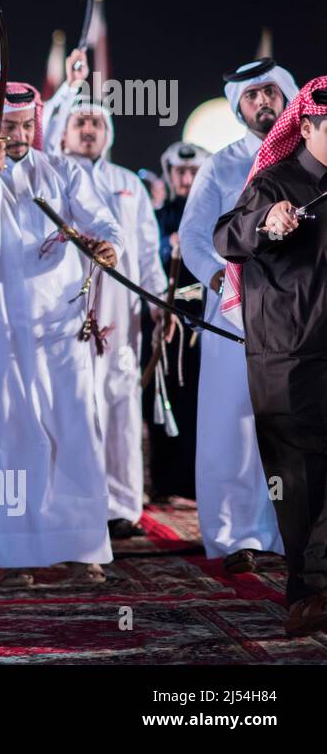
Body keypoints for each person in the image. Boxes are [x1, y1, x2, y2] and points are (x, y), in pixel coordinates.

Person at [0, 82, 121, 586]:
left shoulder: (63, 171)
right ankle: (10, 550)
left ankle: (80, 544)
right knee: (5, 433)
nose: (18, 136)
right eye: (7, 126)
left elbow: (104, 222)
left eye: (25, 126)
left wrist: (106, 246)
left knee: (72, 429)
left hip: (59, 326)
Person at [214, 77, 327, 635]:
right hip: (288, 357)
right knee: (299, 479)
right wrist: (266, 222)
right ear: (305, 128)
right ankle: (307, 593)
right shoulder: (273, 181)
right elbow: (224, 237)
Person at [45, 48, 167, 539]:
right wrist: (70, 89)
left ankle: (121, 504)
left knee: (118, 400)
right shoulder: (50, 176)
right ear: (64, 131)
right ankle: (69, 502)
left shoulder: (125, 184)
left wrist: (159, 302)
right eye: (79, 122)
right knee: (69, 401)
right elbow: (40, 123)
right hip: (63, 303)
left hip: (119, 305)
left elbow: (148, 248)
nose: (88, 129)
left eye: (96, 121)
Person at [179, 58, 291, 573]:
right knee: (232, 425)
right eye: (252, 96)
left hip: (299, 313)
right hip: (233, 316)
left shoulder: (310, 160)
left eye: (269, 92)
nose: (262, 102)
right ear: (238, 106)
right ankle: (234, 537)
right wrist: (221, 279)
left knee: (291, 425)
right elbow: (195, 239)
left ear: (287, 95)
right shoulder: (220, 165)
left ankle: (294, 534)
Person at [144, 141, 210, 502]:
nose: (186, 179)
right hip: (164, 319)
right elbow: (146, 256)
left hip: (205, 322)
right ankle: (166, 482)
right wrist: (169, 248)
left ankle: (197, 482)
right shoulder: (158, 214)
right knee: (163, 398)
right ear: (169, 174)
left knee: (200, 402)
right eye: (180, 172)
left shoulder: (216, 211)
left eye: (193, 172)